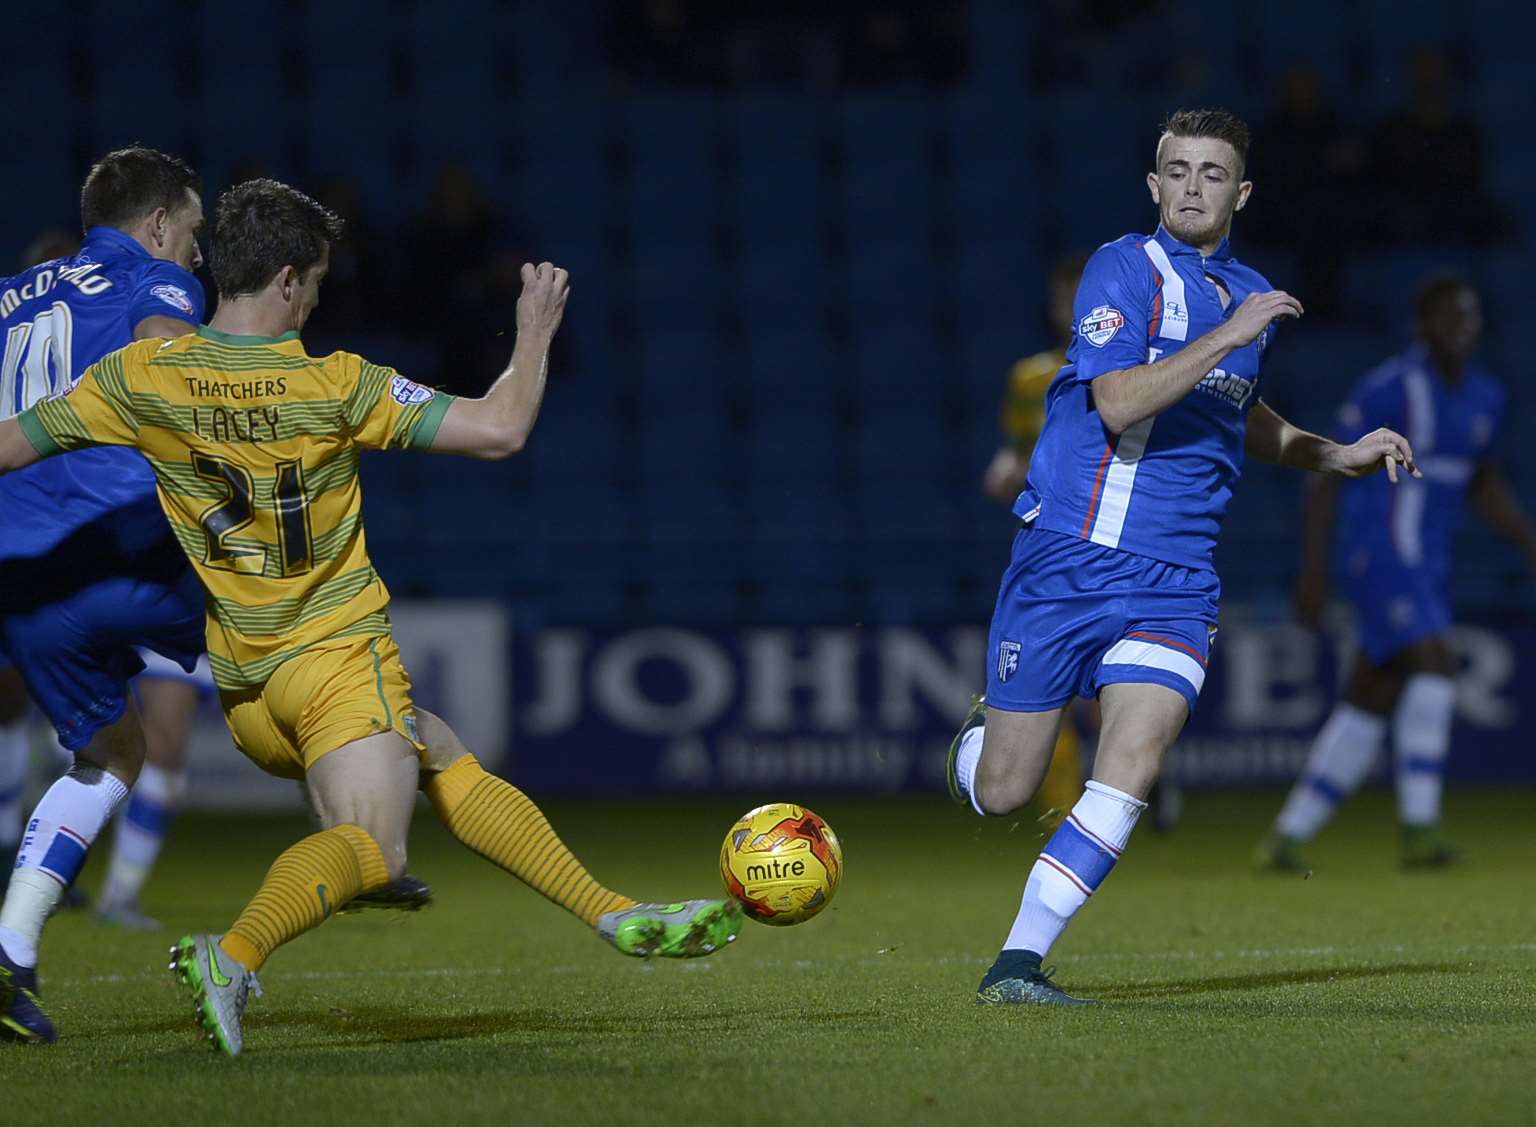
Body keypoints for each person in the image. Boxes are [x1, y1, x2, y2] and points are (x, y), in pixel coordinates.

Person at [0, 178, 740, 1056]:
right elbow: (500, 428)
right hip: (337, 663)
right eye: (313, 281)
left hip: (247, 693)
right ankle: (230, 956)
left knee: (441, 751)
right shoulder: (338, 385)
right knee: (377, 852)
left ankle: (616, 914)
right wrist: (535, 332)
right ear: (283, 280)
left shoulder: (138, 377)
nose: (316, 297)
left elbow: (9, 446)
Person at [943, 108, 1420, 1005]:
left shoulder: (1248, 292)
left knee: (1132, 761)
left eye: (1211, 172)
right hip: (1068, 559)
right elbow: (1119, 399)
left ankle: (1016, 963)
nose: (1193, 186)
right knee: (1005, 792)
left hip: (1175, 579)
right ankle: (974, 750)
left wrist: (1338, 452)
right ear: (1154, 184)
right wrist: (1230, 335)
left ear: (1239, 192)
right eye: (1177, 169)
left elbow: (1239, 408)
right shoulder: (1122, 269)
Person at [0, 148, 211, 1042]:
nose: (197, 254)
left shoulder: (9, 296)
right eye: (194, 233)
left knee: (111, 754)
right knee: (301, 628)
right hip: (117, 544)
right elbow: (168, 369)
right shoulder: (154, 279)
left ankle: (9, 955)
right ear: (159, 224)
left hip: (17, 576)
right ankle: (368, 832)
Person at [1258, 276, 1533, 870]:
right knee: (1435, 662)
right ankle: (1420, 828)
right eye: (1450, 315)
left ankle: (1287, 837)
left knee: (1372, 695)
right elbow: (1326, 468)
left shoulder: (1486, 395)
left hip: (1429, 563)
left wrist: (1527, 540)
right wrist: (1312, 570)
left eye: (1470, 314)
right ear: (1422, 326)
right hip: (1381, 553)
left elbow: (1482, 483)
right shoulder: (1390, 387)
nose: (1464, 325)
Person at [977, 253, 1089, 822]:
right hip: (1049, 551)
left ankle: (1141, 781)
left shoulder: (1137, 371)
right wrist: (1007, 470)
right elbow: (1019, 454)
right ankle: (1063, 816)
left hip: (1119, 548)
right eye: (1061, 297)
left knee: (1115, 688)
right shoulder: (1030, 377)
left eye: (1080, 294)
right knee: (1054, 693)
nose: (1069, 308)